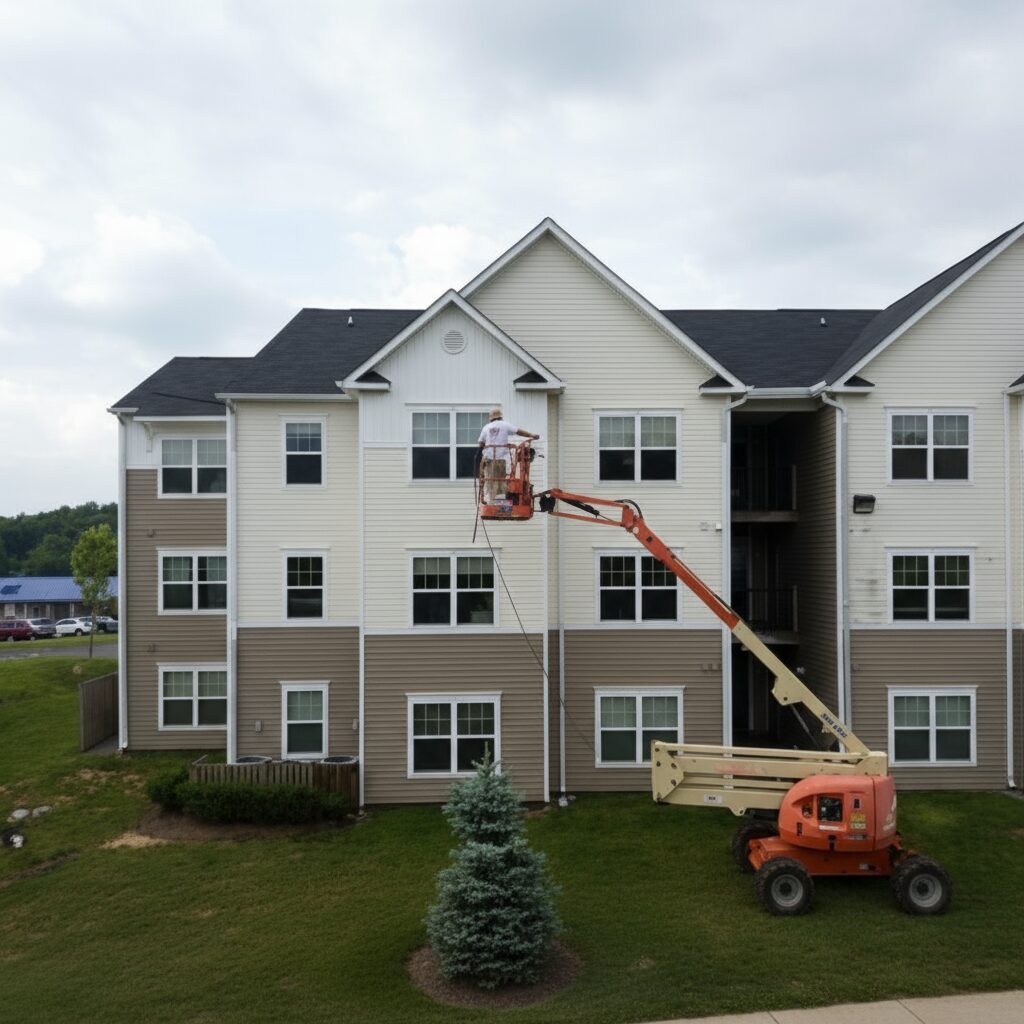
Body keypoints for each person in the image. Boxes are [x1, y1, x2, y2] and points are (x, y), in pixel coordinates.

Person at [477, 408, 539, 503]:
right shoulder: (505, 425)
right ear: (500, 417)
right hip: (502, 459)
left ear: (491, 418)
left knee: (491, 481)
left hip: (489, 459)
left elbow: (481, 443)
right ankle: (501, 501)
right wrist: (532, 435)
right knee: (502, 480)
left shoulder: (486, 427)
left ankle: (491, 501)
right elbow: (519, 431)